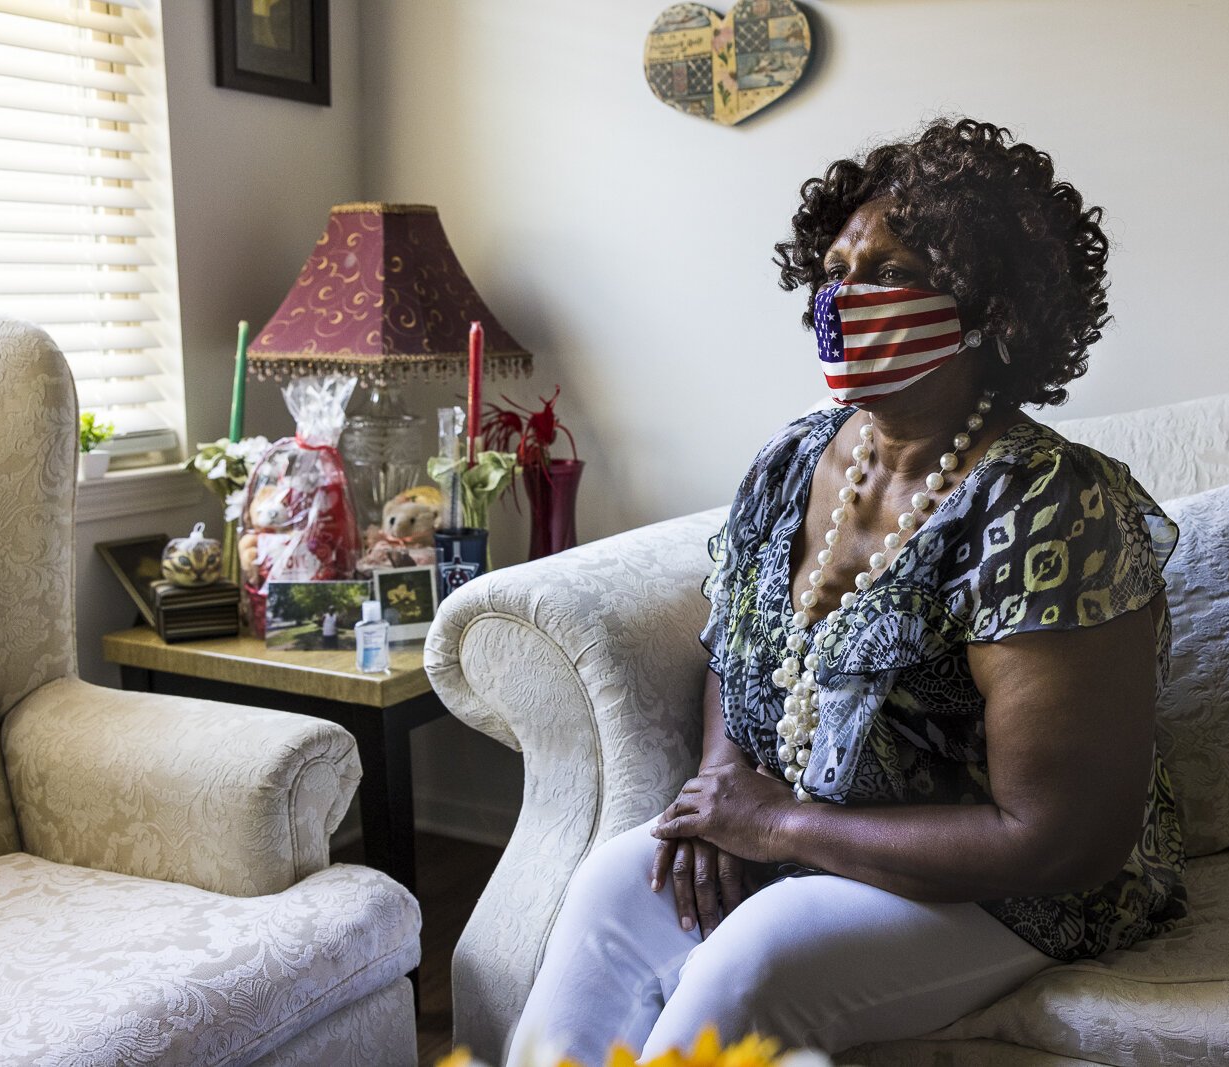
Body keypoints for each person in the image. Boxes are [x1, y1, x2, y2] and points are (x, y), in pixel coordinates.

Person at [506, 118, 1187, 1066]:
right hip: (813, 827)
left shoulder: (1049, 507)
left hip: (1013, 890)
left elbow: (1058, 840)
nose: (842, 299)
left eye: (888, 275)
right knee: (612, 889)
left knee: (750, 962)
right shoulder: (793, 459)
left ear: (991, 307)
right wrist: (721, 789)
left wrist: (779, 824)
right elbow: (735, 646)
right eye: (833, 272)